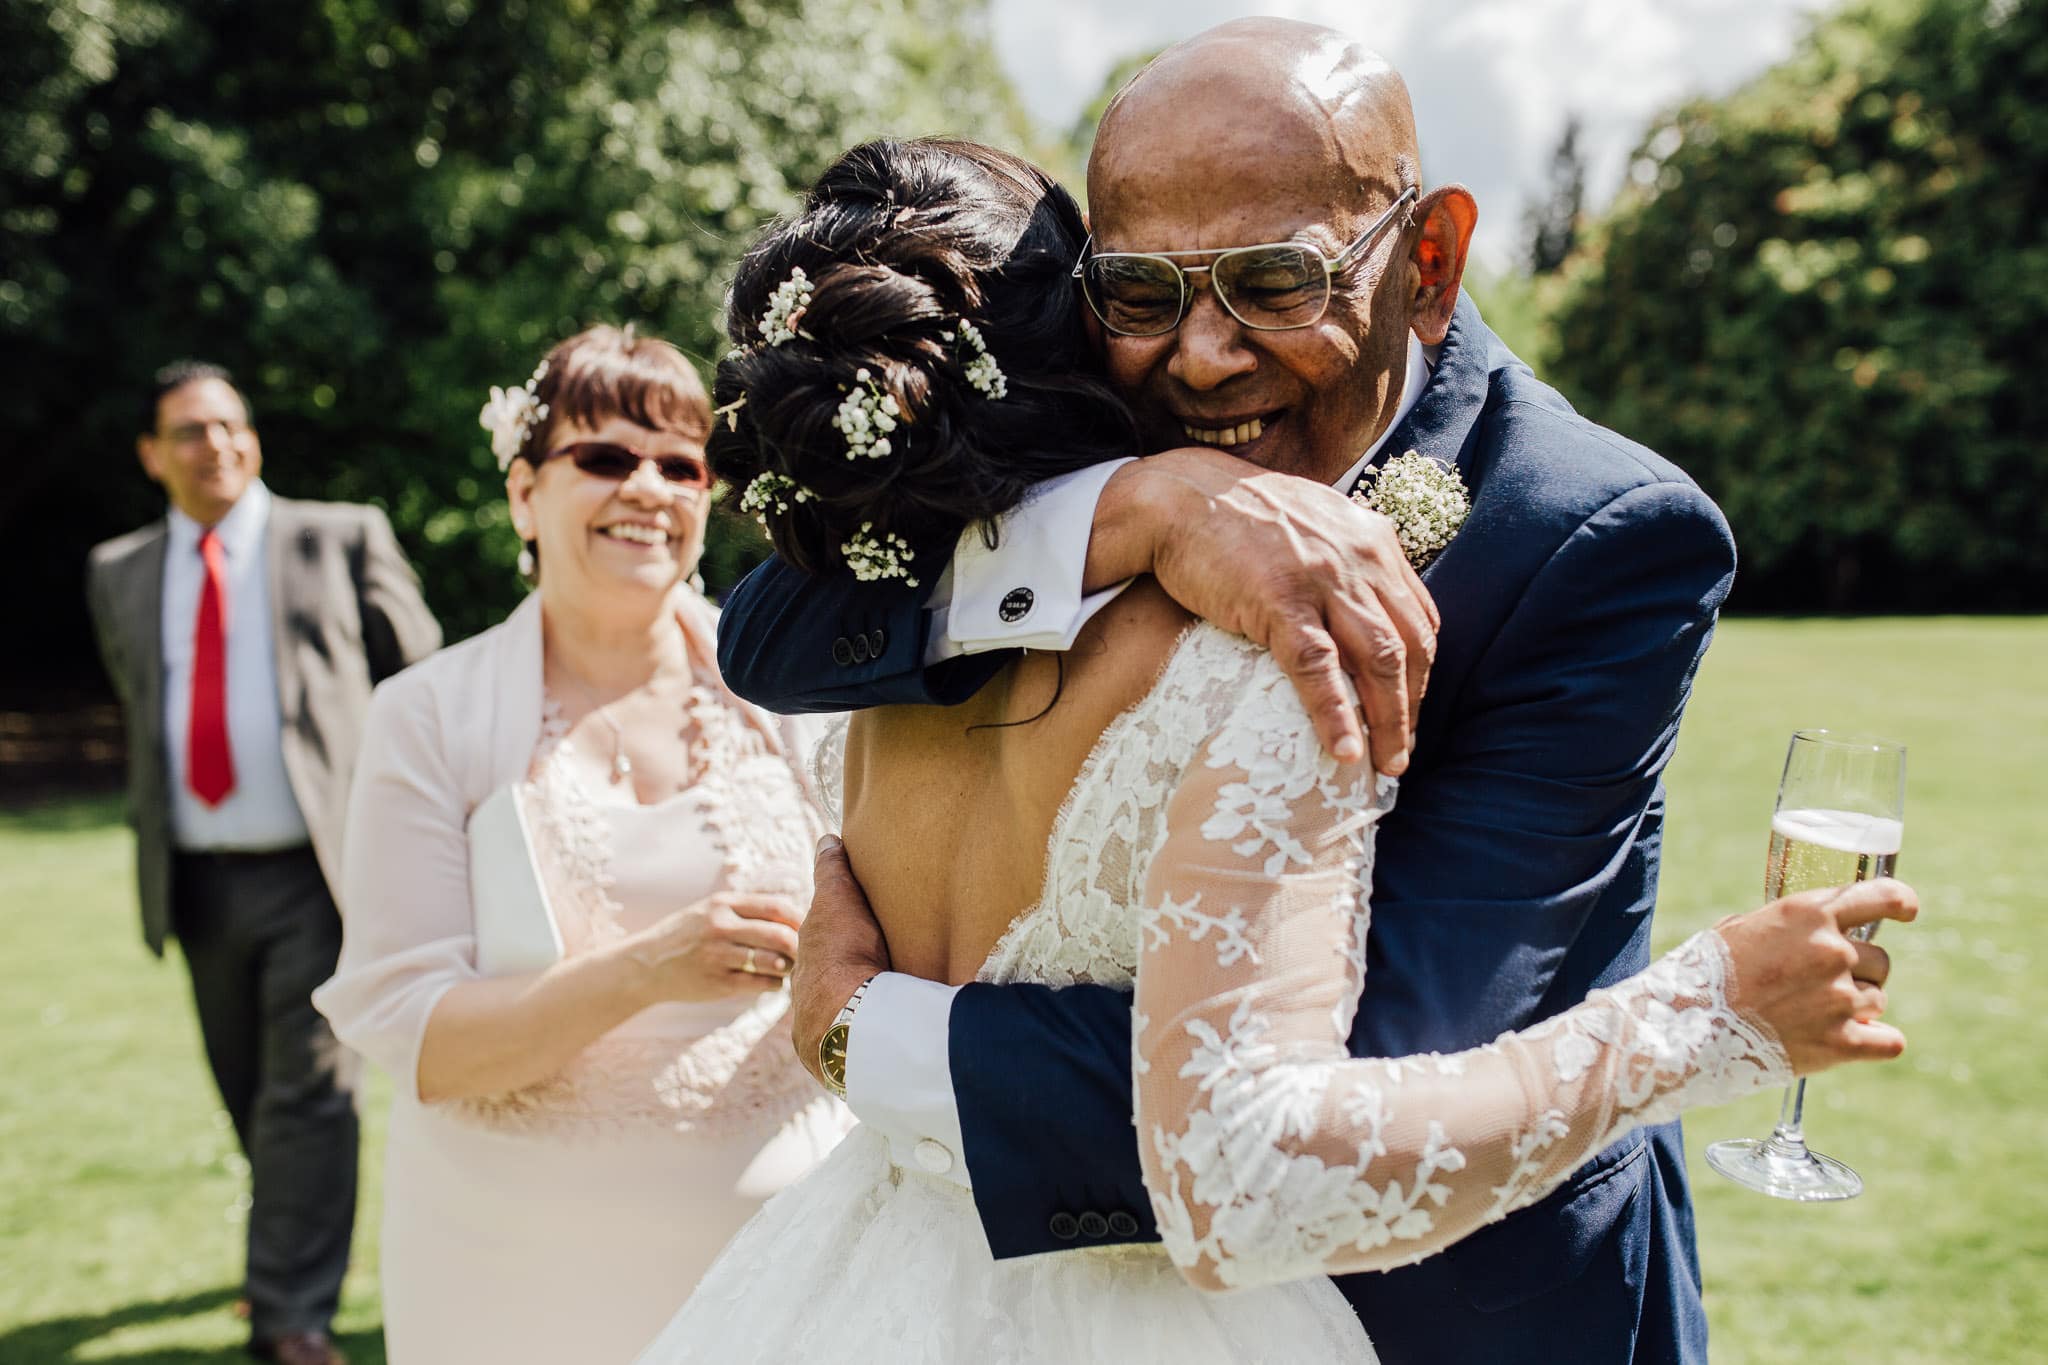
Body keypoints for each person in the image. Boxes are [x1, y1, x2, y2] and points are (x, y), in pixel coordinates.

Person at [631, 136, 1914, 1363]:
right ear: (1084, 311)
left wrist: (877, 1038)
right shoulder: (1132, 453)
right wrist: (1132, 508)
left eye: (1273, 281)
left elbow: (1383, 1057)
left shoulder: (1592, 533)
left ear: (1424, 261)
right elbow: (777, 619)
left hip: (1444, 1309)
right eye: (1139, 291)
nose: (1201, 353)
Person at [311, 325, 849, 1364]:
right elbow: (418, 1035)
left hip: (783, 1261)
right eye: (603, 457)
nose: (647, 487)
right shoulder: (427, 714)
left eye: (680, 464)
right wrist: (650, 968)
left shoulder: (792, 691)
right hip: (516, 1275)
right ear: (524, 493)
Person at [85, 360, 441, 1365]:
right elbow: (139, 702)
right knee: (244, 1086)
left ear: (255, 437)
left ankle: (290, 1313)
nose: (218, 446)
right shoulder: (118, 570)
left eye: (231, 426)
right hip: (195, 878)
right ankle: (285, 1250)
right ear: (154, 455)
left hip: (316, 873)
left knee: (309, 1094)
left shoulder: (336, 536)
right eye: (191, 432)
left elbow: (421, 684)